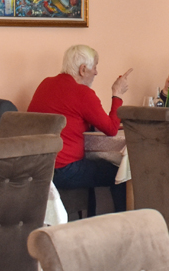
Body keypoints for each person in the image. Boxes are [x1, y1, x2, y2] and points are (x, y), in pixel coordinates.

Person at [27, 44, 131, 211]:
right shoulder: (83, 93)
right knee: (120, 173)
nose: (96, 72)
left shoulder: (45, 83)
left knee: (93, 169)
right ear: (83, 69)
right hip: (63, 169)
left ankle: (90, 217)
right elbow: (112, 129)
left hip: (37, 166)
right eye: (94, 67)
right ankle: (124, 222)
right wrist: (117, 94)